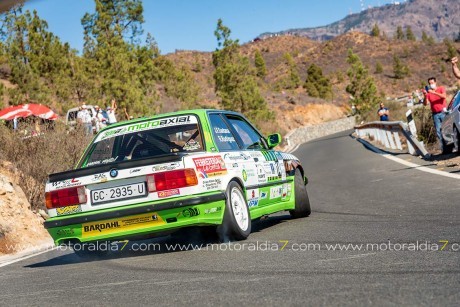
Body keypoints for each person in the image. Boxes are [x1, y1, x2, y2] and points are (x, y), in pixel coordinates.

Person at [422, 77, 447, 151]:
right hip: (435, 114)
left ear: (435, 82)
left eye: (432, 83)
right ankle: (444, 148)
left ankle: (452, 145)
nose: (431, 85)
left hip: (443, 112)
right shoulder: (429, 93)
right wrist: (425, 95)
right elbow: (425, 104)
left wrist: (434, 92)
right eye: (429, 83)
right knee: (439, 131)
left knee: (446, 129)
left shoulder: (441, 88)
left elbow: (444, 96)